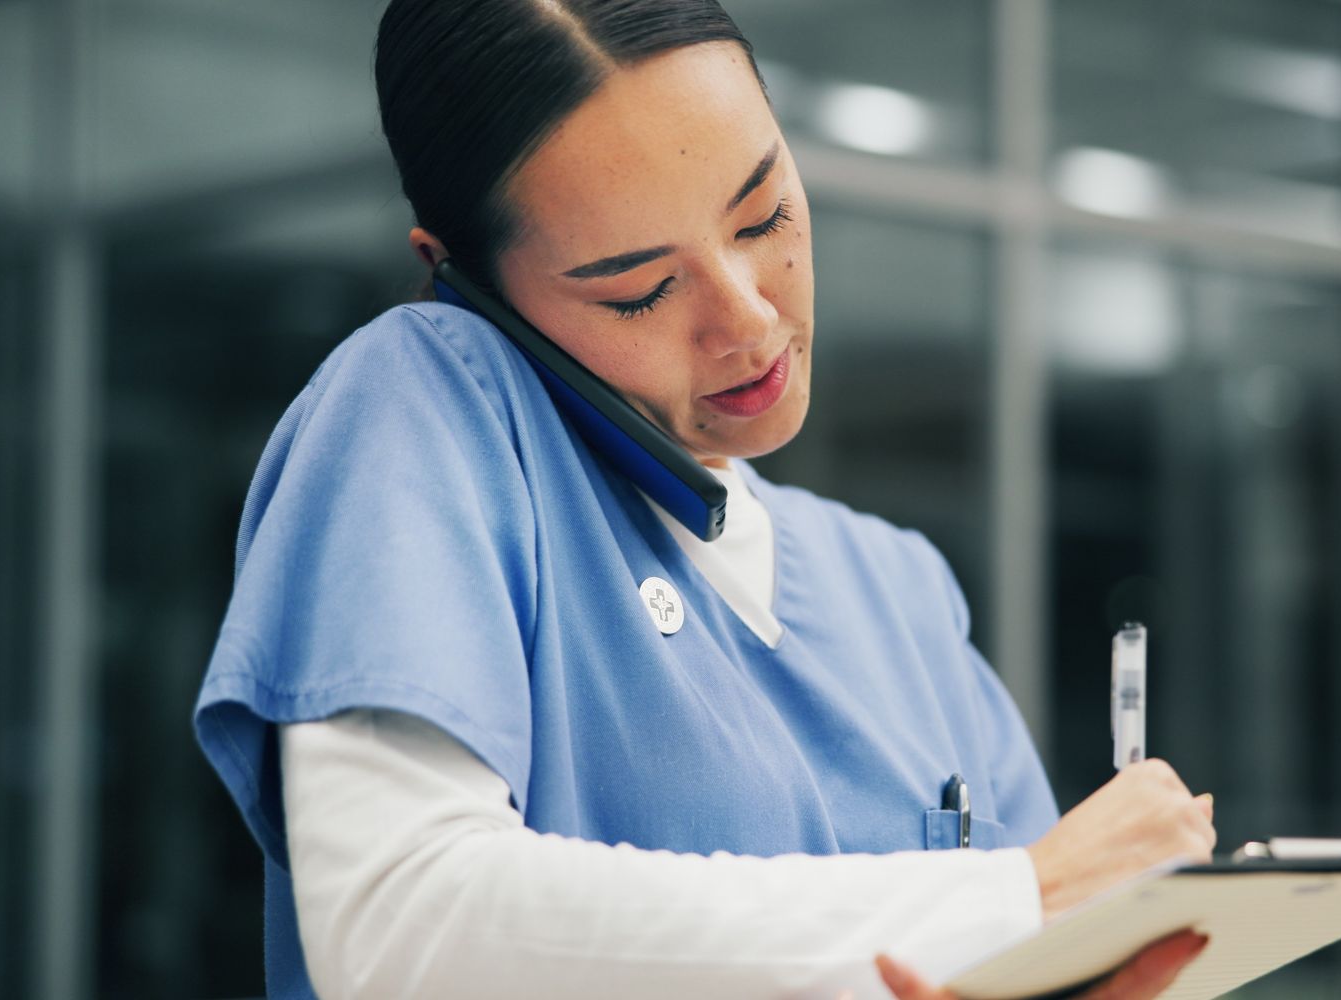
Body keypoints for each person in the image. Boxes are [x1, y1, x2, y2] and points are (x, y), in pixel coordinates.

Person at [191, 2, 1217, 997]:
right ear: (467, 282)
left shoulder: (897, 590)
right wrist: (1006, 897)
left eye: (763, 215)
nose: (747, 319)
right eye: (637, 288)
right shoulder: (424, 402)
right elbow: (402, 927)